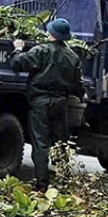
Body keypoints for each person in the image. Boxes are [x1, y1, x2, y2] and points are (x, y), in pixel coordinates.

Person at [12, 18, 84, 189]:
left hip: (40, 103)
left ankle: (42, 185)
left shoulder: (41, 51)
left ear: (50, 34)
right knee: (60, 144)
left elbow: (18, 64)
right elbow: (77, 85)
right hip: (61, 104)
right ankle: (63, 183)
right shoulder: (73, 57)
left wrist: (17, 49)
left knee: (40, 144)